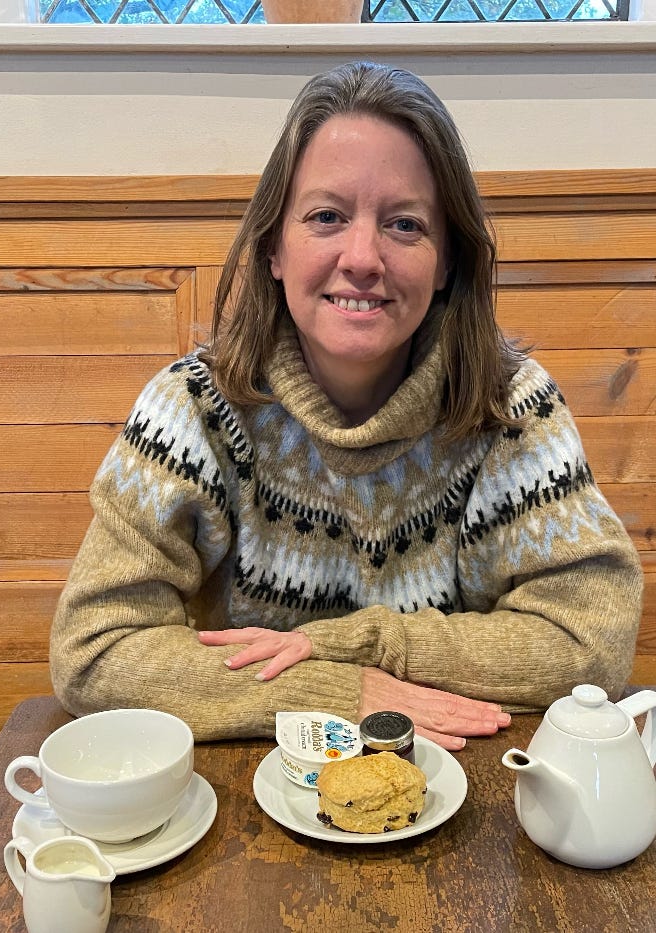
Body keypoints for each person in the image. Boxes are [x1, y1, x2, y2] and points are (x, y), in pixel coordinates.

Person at [49, 62, 642, 752]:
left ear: (448, 259)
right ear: (274, 246)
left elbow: (589, 638)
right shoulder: (191, 409)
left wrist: (355, 645)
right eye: (327, 216)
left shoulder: (511, 408)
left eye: (405, 225)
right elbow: (91, 649)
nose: (363, 257)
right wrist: (336, 693)